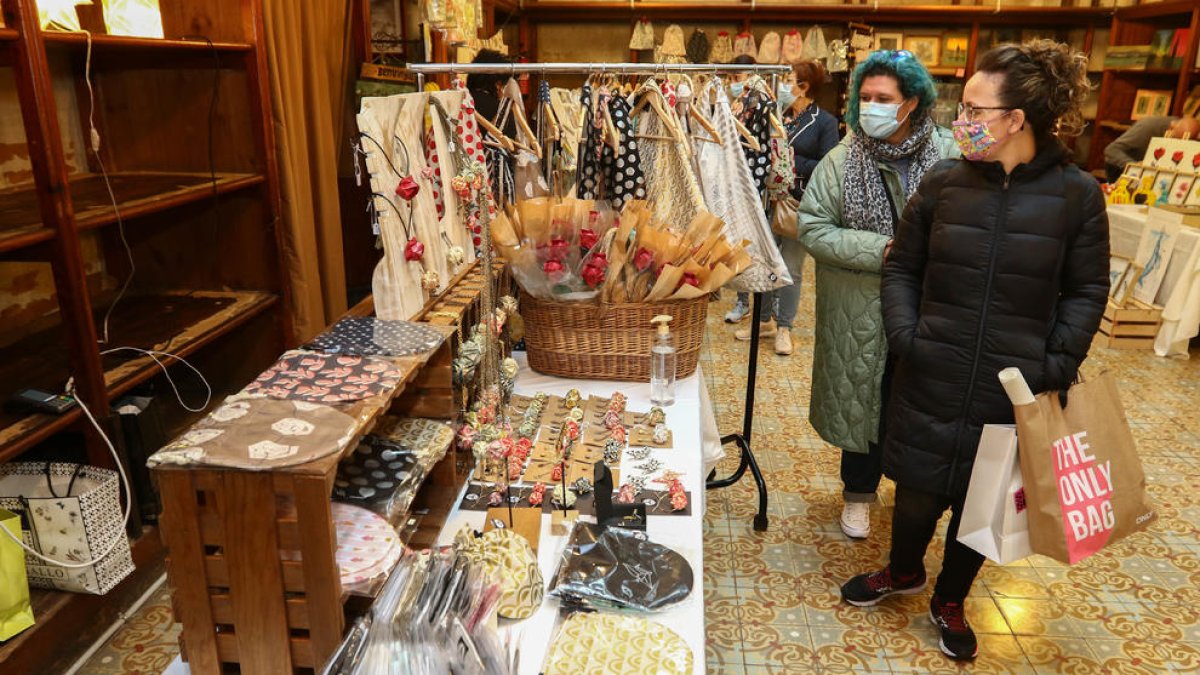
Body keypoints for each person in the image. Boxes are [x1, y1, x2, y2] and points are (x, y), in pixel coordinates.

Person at [840, 40, 1109, 661]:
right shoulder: (943, 182)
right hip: (931, 368)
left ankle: (951, 598)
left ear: (1016, 120)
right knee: (914, 493)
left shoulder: (1076, 196)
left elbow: (1088, 288)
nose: (961, 121)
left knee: (980, 504)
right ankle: (904, 570)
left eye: (975, 109)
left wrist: (1055, 365)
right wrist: (908, 336)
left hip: (1013, 385)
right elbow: (902, 267)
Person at [797, 50, 958, 539]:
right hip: (861, 305)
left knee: (917, 401)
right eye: (864, 97)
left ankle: (914, 493)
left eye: (882, 98)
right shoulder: (843, 160)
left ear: (911, 101)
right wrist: (883, 250)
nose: (871, 106)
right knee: (865, 399)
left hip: (932, 304)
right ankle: (859, 496)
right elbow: (813, 227)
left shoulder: (950, 157)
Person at [734, 59, 839, 356]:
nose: (781, 86)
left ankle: (784, 328)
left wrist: (790, 160)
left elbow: (827, 165)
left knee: (791, 267)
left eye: (788, 80)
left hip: (798, 203)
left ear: (803, 87)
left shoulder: (825, 122)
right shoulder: (776, 114)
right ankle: (763, 320)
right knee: (763, 261)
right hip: (768, 200)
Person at [1104, 114, 1200, 182]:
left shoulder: (1189, 134)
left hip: (1154, 173)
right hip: (1121, 168)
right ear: (1171, 128)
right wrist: (1137, 166)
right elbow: (1111, 150)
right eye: (1177, 140)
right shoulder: (1147, 127)